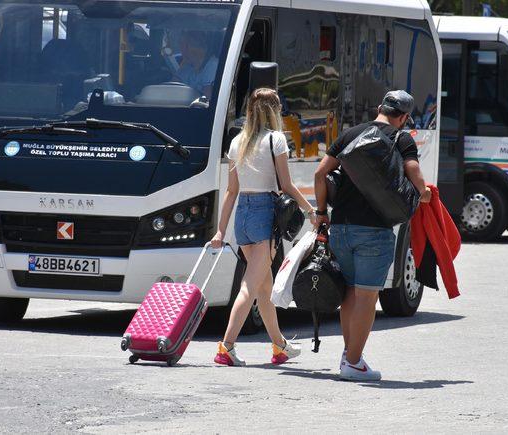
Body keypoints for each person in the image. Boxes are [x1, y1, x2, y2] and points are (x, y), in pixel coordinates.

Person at [313, 90, 432, 381]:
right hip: (374, 231)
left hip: (341, 227)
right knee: (367, 296)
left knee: (350, 293)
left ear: (379, 107)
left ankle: (350, 355)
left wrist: (320, 213)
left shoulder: (350, 134)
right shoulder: (400, 138)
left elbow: (319, 174)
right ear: (403, 117)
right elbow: (412, 167)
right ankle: (353, 362)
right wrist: (424, 190)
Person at [211, 87, 317, 366]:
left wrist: (221, 230)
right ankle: (226, 347)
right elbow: (286, 185)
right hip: (263, 214)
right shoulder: (276, 140)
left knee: (263, 286)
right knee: (250, 286)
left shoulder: (238, 142)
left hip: (242, 217)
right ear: (273, 110)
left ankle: (279, 346)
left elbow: (231, 191)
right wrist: (311, 211)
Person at [162, 30, 218, 97]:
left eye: (182, 45)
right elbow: (169, 90)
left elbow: (208, 98)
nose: (181, 50)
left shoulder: (212, 66)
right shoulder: (187, 67)